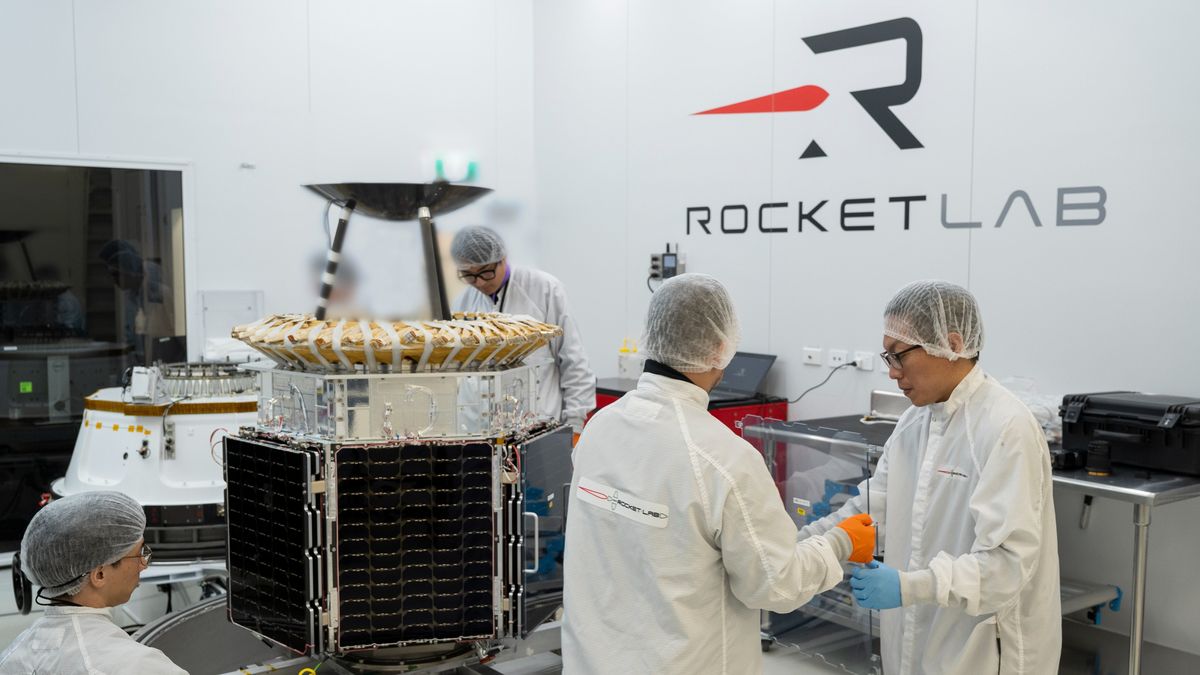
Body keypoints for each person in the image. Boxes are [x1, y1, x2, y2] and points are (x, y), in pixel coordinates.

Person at [562, 273, 875, 674]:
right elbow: (776, 584)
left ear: (652, 335)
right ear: (721, 348)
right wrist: (840, 543)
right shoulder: (723, 458)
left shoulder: (600, 426)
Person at [799, 280, 1061, 675]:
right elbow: (875, 507)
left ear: (952, 344)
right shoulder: (915, 421)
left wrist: (911, 587)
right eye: (886, 357)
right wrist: (807, 544)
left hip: (984, 650)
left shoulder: (1006, 428)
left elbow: (1007, 566)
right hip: (912, 635)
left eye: (899, 356)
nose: (891, 372)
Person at [0, 491, 187, 674]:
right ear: (99, 575)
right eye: (139, 553)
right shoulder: (136, 665)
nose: (144, 564)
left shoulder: (12, 658)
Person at [450, 226, 594, 432]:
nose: (480, 282)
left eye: (486, 272)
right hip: (479, 429)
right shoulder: (463, 302)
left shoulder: (544, 289)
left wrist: (575, 424)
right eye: (469, 275)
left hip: (538, 424)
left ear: (503, 258)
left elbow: (573, 360)